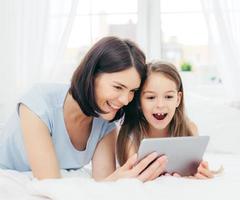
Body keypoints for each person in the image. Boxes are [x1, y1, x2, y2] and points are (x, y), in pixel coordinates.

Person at [0, 36, 167, 181]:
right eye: (118, 87)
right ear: (92, 75)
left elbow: (103, 182)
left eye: (132, 91)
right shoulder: (38, 103)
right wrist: (115, 182)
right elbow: (49, 184)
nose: (125, 100)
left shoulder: (105, 123)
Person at [117, 61, 214, 179]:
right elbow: (133, 179)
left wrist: (200, 174)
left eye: (168, 97)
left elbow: (194, 172)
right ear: (139, 102)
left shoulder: (190, 129)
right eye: (151, 97)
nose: (160, 105)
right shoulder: (131, 137)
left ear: (178, 99)